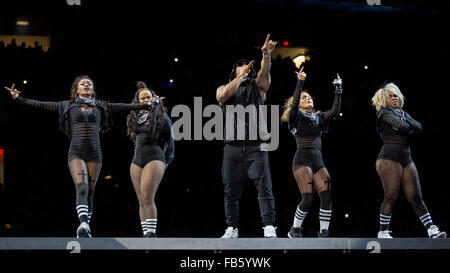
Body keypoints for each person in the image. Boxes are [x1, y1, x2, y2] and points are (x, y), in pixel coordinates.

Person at [4, 76, 155, 237]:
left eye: (89, 84)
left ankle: (86, 228)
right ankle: (82, 223)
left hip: (95, 153)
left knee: (90, 191)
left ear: (93, 89)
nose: (86, 85)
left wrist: (147, 104)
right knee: (81, 186)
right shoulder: (67, 105)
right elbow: (41, 105)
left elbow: (124, 107)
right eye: (83, 84)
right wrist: (18, 98)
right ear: (76, 89)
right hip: (76, 152)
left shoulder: (101, 106)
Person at [216, 34, 277, 238]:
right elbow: (223, 96)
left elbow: (264, 73)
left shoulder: (257, 86)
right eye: (240, 65)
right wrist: (240, 76)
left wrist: (265, 56)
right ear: (234, 71)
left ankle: (269, 226)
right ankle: (231, 228)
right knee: (230, 190)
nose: (244, 67)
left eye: (246, 65)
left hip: (256, 145)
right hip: (232, 146)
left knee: (264, 185)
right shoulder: (225, 88)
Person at [371, 83, 446, 239]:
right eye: (391, 96)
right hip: (389, 157)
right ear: (384, 99)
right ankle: (383, 231)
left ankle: (431, 229)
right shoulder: (383, 113)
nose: (395, 98)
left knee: (416, 196)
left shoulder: (403, 113)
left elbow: (418, 127)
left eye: (396, 95)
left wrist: (408, 126)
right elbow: (403, 127)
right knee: (391, 196)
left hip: (406, 157)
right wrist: (407, 127)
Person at [281, 68, 342, 238]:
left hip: (318, 161)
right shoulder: (295, 117)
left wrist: (338, 88)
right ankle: (295, 230)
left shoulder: (319, 118)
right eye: (304, 98)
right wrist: (300, 82)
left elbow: (335, 111)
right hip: (302, 161)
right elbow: (293, 104)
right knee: (308, 198)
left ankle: (323, 232)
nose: (308, 98)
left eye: (309, 97)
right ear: (298, 103)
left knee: (327, 196)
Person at [126, 81, 174, 238]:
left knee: (147, 196)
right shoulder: (134, 117)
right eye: (142, 98)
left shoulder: (161, 115)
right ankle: (145, 233)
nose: (145, 100)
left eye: (148, 97)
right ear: (138, 101)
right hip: (137, 159)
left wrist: (165, 161)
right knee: (140, 199)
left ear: (154, 98)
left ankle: (152, 234)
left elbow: (170, 140)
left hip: (154, 157)